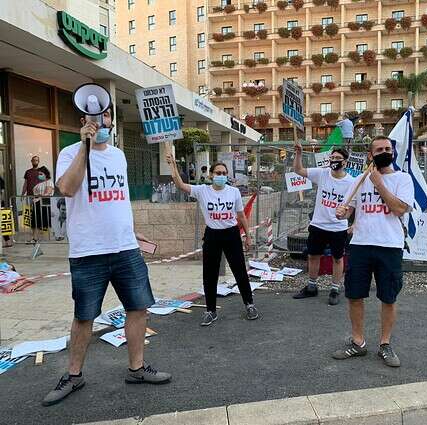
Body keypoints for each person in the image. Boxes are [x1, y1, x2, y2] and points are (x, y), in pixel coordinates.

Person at [42, 108, 171, 407]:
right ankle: (73, 376)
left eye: (107, 117)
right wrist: (85, 149)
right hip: (88, 252)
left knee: (138, 309)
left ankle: (137, 369)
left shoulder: (118, 156)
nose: (102, 123)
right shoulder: (69, 153)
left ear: (112, 122)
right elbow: (68, 188)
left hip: (125, 247)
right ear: (82, 123)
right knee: (84, 317)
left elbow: (119, 199)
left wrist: (132, 232)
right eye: (95, 118)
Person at [332, 136, 414, 367]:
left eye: (388, 149)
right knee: (355, 295)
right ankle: (358, 342)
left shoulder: (402, 179)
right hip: (360, 244)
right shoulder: (359, 180)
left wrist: (379, 183)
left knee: (388, 297)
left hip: (390, 246)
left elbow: (398, 209)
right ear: (371, 155)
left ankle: (385, 344)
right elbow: (350, 209)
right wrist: (343, 212)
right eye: (379, 149)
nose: (384, 152)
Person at [166, 151, 259, 326]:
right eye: (218, 173)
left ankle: (249, 304)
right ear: (211, 175)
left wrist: (248, 236)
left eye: (224, 174)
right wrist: (173, 166)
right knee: (210, 274)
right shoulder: (202, 191)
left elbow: (241, 216)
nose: (221, 176)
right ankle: (211, 310)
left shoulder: (234, 192)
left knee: (239, 271)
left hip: (231, 234)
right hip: (212, 235)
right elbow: (180, 185)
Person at [291, 144, 354, 305]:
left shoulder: (351, 183)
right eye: (332, 158)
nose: (334, 161)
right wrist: (298, 154)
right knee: (313, 255)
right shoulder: (322, 174)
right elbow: (299, 171)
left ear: (345, 162)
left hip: (337, 228)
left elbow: (353, 207)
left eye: (338, 159)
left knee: (338, 258)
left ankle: (334, 289)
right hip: (318, 225)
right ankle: (312, 286)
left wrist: (349, 220)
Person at [29, 166, 54, 243]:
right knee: (34, 222)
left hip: (43, 204)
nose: (39, 175)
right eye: (38, 174)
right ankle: (34, 237)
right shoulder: (39, 183)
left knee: (39, 221)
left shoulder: (49, 182)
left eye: (41, 173)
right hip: (36, 203)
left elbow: (48, 193)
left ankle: (36, 238)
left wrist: (39, 197)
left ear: (45, 174)